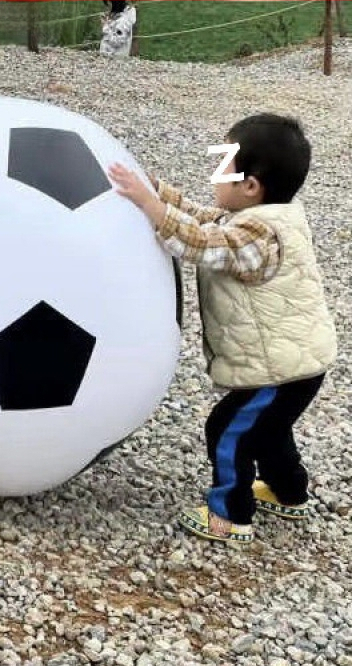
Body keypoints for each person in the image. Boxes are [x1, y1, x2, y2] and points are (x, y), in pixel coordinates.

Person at [107, 113, 338, 544]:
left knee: (227, 429)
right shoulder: (268, 217)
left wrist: (150, 207)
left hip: (278, 370)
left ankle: (231, 514)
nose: (214, 174)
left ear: (251, 187)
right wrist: (156, 191)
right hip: (295, 364)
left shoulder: (257, 235)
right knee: (269, 431)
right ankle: (289, 493)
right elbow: (205, 220)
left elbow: (201, 243)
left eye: (222, 164)